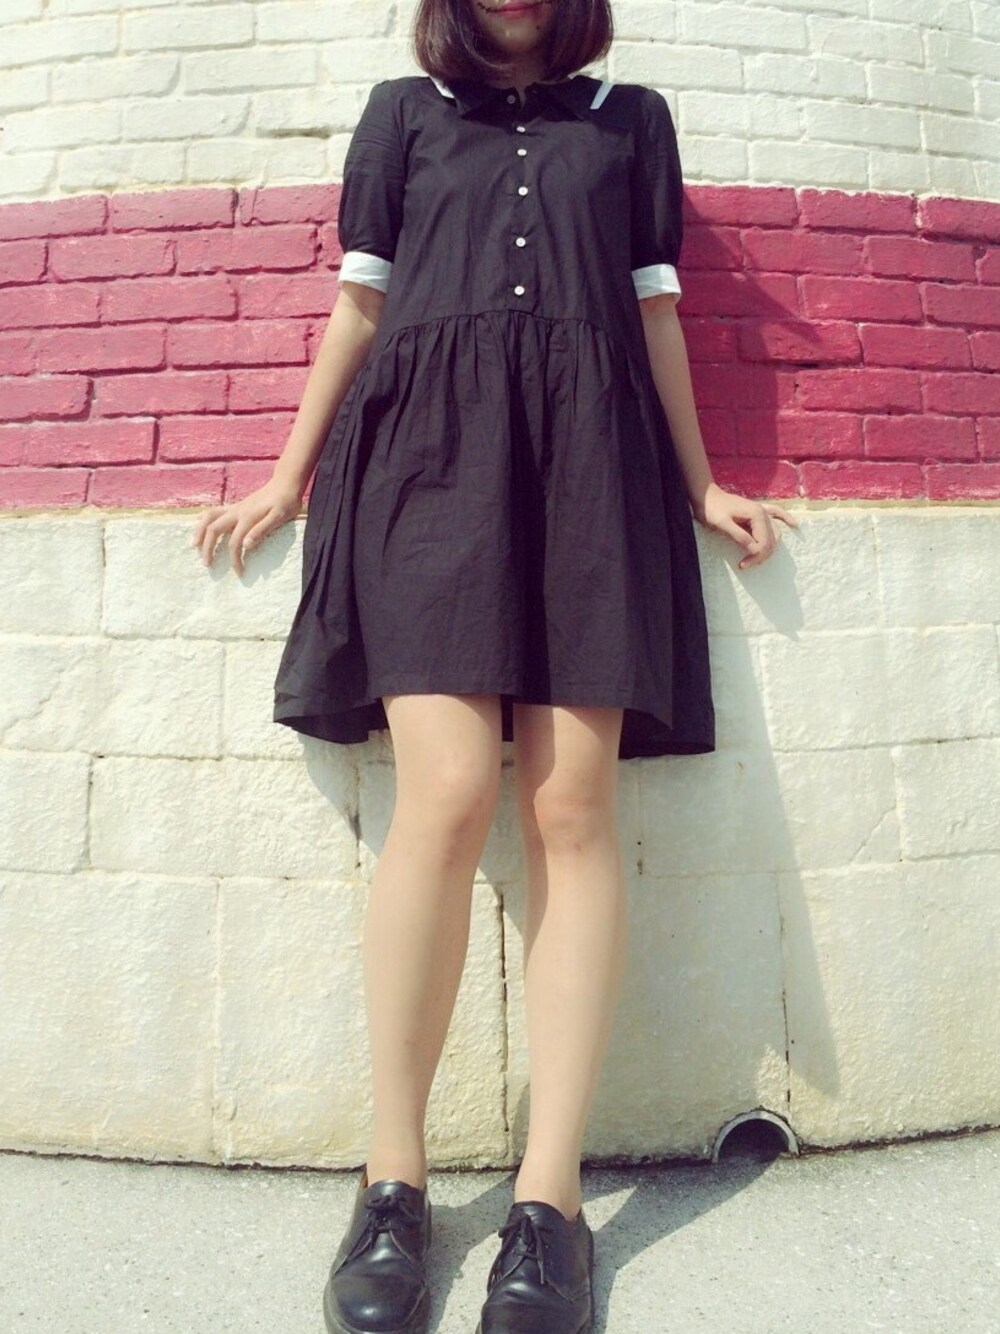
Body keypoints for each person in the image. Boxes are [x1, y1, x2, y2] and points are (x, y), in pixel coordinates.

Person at [191, 1, 798, 1329]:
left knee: (574, 805)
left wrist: (702, 486)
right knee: (449, 792)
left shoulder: (630, 123)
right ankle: (392, 1181)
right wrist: (289, 476)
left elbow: (654, 315)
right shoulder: (403, 117)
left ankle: (549, 1201)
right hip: (431, 464)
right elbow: (361, 305)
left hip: (592, 466)